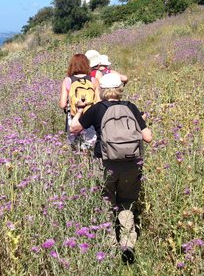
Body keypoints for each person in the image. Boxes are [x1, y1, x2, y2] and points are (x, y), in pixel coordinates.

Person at [70, 73, 152, 264]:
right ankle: (128, 245)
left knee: (106, 202)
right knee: (127, 202)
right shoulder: (131, 107)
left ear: (101, 90)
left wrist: (81, 110)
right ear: (120, 90)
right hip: (132, 163)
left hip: (105, 162)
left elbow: (74, 128)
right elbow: (147, 137)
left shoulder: (97, 109)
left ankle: (109, 247)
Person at [59, 54, 99, 151]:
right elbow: (98, 102)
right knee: (90, 145)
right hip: (90, 117)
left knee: (75, 146)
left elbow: (63, 104)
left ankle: (78, 163)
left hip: (73, 117)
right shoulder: (93, 80)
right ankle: (88, 162)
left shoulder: (68, 80)